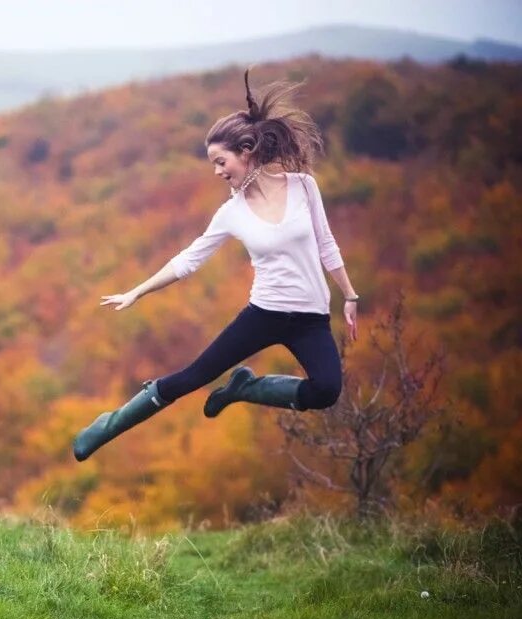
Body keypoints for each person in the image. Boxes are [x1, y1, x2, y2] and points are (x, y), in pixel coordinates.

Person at [73, 68, 360, 462]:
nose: (217, 171)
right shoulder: (231, 213)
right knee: (192, 377)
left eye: (220, 161)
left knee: (326, 391)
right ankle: (107, 425)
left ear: (246, 151)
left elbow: (327, 243)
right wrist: (137, 290)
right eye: (212, 164)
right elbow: (188, 260)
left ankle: (245, 389)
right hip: (264, 313)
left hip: (311, 317)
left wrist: (349, 294)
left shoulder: (303, 187)